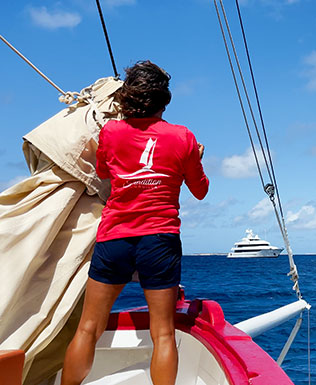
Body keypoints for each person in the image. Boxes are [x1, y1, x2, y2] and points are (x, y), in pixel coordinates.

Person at [61, 61, 209, 385]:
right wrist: (196, 155)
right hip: (160, 240)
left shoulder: (110, 132)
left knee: (88, 328)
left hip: (114, 238)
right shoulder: (183, 137)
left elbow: (103, 173)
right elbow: (201, 191)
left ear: (127, 98)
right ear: (164, 99)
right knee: (163, 334)